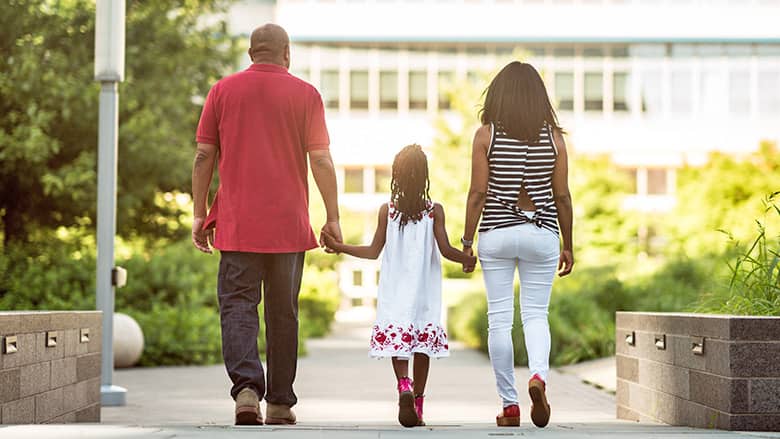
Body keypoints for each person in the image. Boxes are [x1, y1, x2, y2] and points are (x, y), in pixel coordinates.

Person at [191, 23, 342, 426]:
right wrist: (333, 217)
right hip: (289, 226)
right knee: (283, 313)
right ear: (286, 53)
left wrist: (198, 212)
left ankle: (245, 390)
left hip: (238, 225)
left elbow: (203, 156)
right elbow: (322, 160)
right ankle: (278, 403)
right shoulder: (306, 95)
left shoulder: (222, 91)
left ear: (251, 53)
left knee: (238, 306)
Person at [322, 144, 476, 428]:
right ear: (424, 177)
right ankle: (417, 402)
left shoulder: (388, 211)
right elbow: (445, 249)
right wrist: (467, 258)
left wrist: (339, 246)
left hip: (395, 291)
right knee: (421, 346)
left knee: (399, 340)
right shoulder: (434, 211)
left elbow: (372, 251)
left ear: (397, 176)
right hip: (424, 294)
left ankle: (403, 384)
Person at [460, 61, 574, 428]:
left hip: (496, 232)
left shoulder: (486, 135)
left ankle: (510, 406)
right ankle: (538, 377)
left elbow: (478, 193)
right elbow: (563, 197)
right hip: (541, 233)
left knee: (499, 320)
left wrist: (465, 242)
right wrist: (567, 245)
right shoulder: (555, 138)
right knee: (536, 315)